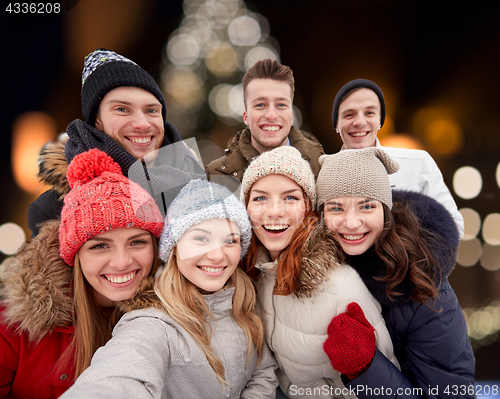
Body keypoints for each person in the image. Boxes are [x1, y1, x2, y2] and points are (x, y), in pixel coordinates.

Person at [57, 179, 278, 399]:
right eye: (201, 238)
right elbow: (122, 372)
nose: (218, 255)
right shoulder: (153, 323)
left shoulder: (244, 303)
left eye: (230, 241)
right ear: (174, 248)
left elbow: (263, 373)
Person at [0, 148, 164, 398]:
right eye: (100, 246)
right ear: (75, 256)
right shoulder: (14, 328)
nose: (121, 262)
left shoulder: (172, 319)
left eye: (137, 242)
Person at [240, 146, 399, 399]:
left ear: (308, 208)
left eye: (290, 198)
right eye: (260, 198)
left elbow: (386, 388)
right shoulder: (254, 276)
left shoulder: (341, 284)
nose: (274, 211)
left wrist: (361, 369)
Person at [316, 147, 475, 399]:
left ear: (385, 211)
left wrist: (366, 369)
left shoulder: (424, 289)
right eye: (336, 208)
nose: (351, 222)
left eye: (366, 206)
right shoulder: (316, 273)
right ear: (321, 214)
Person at [28, 48, 204, 237]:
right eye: (122, 109)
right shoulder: (54, 211)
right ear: (97, 119)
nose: (142, 124)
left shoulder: (200, 186)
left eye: (151, 110)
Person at [331, 78, 464, 237]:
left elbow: (452, 226)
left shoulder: (419, 162)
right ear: (336, 124)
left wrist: (412, 252)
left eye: (369, 113)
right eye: (349, 114)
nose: (359, 122)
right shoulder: (325, 172)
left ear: (380, 121)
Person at [205, 59, 325, 181]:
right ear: (246, 117)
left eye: (281, 105)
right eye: (260, 105)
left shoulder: (323, 168)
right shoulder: (216, 176)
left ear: (291, 114)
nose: (271, 115)